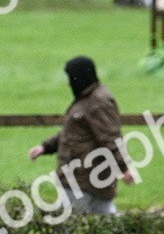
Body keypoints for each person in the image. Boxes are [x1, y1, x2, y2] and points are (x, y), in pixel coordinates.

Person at [28, 56, 133, 215]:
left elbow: (110, 139)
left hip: (83, 180)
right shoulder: (87, 100)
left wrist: (124, 168)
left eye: (71, 77)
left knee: (70, 228)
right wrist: (45, 147)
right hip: (84, 179)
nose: (69, 82)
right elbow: (71, 134)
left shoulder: (98, 103)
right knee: (103, 227)